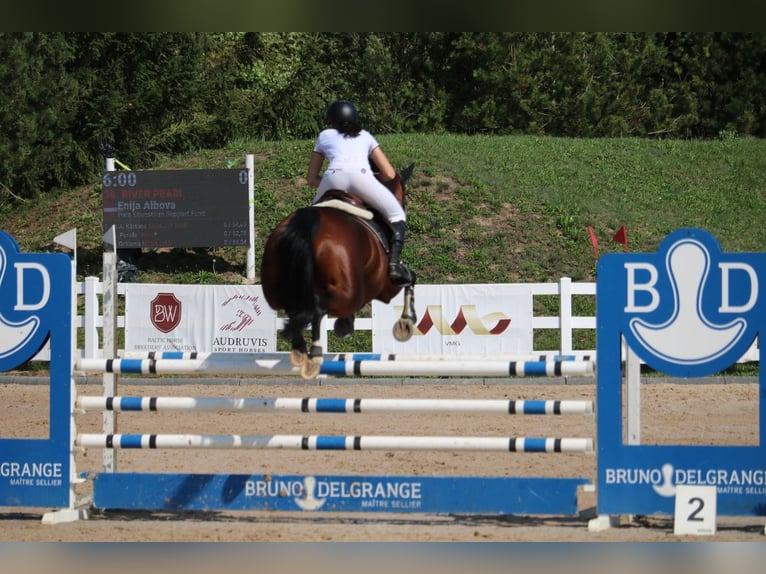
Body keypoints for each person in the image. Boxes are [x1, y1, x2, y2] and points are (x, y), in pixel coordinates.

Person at [307, 99, 411, 285]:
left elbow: (311, 180)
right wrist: (372, 182)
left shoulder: (324, 135)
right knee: (397, 215)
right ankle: (394, 265)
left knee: (311, 217)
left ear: (331, 121)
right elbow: (388, 174)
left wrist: (329, 182)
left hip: (332, 177)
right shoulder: (365, 136)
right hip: (361, 177)